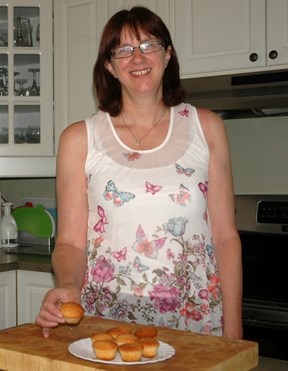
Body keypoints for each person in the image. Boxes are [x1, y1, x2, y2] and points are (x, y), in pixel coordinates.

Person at [35, 6, 243, 340]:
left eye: (149, 45)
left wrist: (234, 333)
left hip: (195, 319)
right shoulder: (79, 139)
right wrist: (69, 285)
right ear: (109, 65)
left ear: (168, 54)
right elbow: (71, 243)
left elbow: (225, 237)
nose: (138, 58)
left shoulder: (207, 127)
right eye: (124, 50)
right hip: (106, 319)